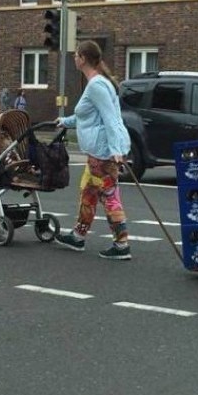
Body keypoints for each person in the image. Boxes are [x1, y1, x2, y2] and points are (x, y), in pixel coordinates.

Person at [54, 40, 132, 260]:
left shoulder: (97, 85)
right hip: (99, 152)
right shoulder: (99, 83)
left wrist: (116, 149)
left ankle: (121, 243)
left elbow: (110, 118)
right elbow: (88, 116)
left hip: (103, 153)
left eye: (76, 55)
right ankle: (78, 236)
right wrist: (65, 121)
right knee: (88, 192)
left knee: (109, 196)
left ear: (83, 59)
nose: (74, 57)